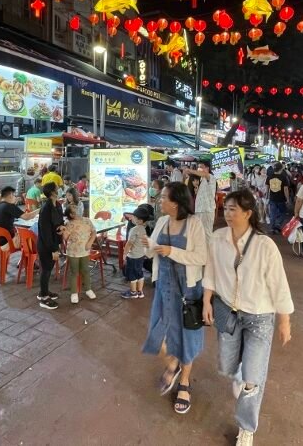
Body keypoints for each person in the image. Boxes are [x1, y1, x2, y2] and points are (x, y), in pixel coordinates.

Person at [202, 190, 293, 445]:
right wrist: (207, 301)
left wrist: (284, 321)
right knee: (228, 367)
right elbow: (210, 270)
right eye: (226, 208)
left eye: (233, 209)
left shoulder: (265, 245)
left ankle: (246, 427)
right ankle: (241, 374)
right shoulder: (217, 239)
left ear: (248, 213)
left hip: (260, 318)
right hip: (228, 312)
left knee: (253, 379)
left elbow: (279, 286)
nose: (228, 214)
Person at [142, 182, 209, 415]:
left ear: (176, 202)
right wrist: (149, 247)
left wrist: (172, 252)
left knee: (186, 337)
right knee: (157, 334)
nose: (159, 201)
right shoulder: (161, 221)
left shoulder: (194, 224)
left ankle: (185, 382)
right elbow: (154, 252)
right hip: (164, 288)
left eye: (163, 198)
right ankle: (172, 363)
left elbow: (201, 256)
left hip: (188, 291)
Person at [36, 182, 64, 310]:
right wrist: (53, 249)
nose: (59, 189)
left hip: (54, 241)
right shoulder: (46, 208)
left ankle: (45, 291)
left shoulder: (57, 204)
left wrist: (62, 227)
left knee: (49, 268)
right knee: (46, 269)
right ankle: (43, 297)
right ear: (52, 192)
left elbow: (60, 220)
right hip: (46, 244)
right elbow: (45, 231)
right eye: (57, 188)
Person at [62, 204, 97, 304]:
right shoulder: (69, 223)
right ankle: (74, 292)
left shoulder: (87, 220)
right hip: (73, 252)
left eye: (78, 208)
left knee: (85, 270)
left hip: (85, 251)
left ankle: (88, 289)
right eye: (75, 210)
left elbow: (94, 232)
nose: (78, 211)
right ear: (71, 215)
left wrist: (90, 242)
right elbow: (65, 237)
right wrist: (63, 229)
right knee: (74, 272)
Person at [0, 186, 38, 251]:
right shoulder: (9, 206)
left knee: (18, 231)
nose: (15, 197)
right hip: (5, 243)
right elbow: (27, 217)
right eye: (14, 196)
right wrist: (39, 210)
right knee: (32, 233)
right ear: (11, 195)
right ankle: (30, 259)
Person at [121, 206, 150, 299]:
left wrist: (125, 254)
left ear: (140, 220)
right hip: (141, 255)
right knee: (139, 273)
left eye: (134, 217)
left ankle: (133, 292)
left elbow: (129, 243)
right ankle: (140, 292)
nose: (132, 218)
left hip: (133, 256)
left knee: (132, 274)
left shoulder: (134, 229)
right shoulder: (144, 228)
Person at [184, 160, 216, 238]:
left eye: (201, 167)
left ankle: (209, 250)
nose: (199, 169)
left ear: (207, 168)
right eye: (198, 167)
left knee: (207, 234)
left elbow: (204, 174)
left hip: (206, 210)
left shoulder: (210, 177)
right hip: (200, 210)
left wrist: (190, 170)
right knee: (200, 233)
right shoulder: (201, 180)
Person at [267, 165, 291, 234]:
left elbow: (267, 187)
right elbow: (285, 189)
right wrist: (287, 199)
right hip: (281, 198)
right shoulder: (283, 177)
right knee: (283, 213)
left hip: (272, 198)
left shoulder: (269, 176)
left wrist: (267, 196)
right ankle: (277, 225)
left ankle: (272, 228)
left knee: (272, 214)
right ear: (281, 169)